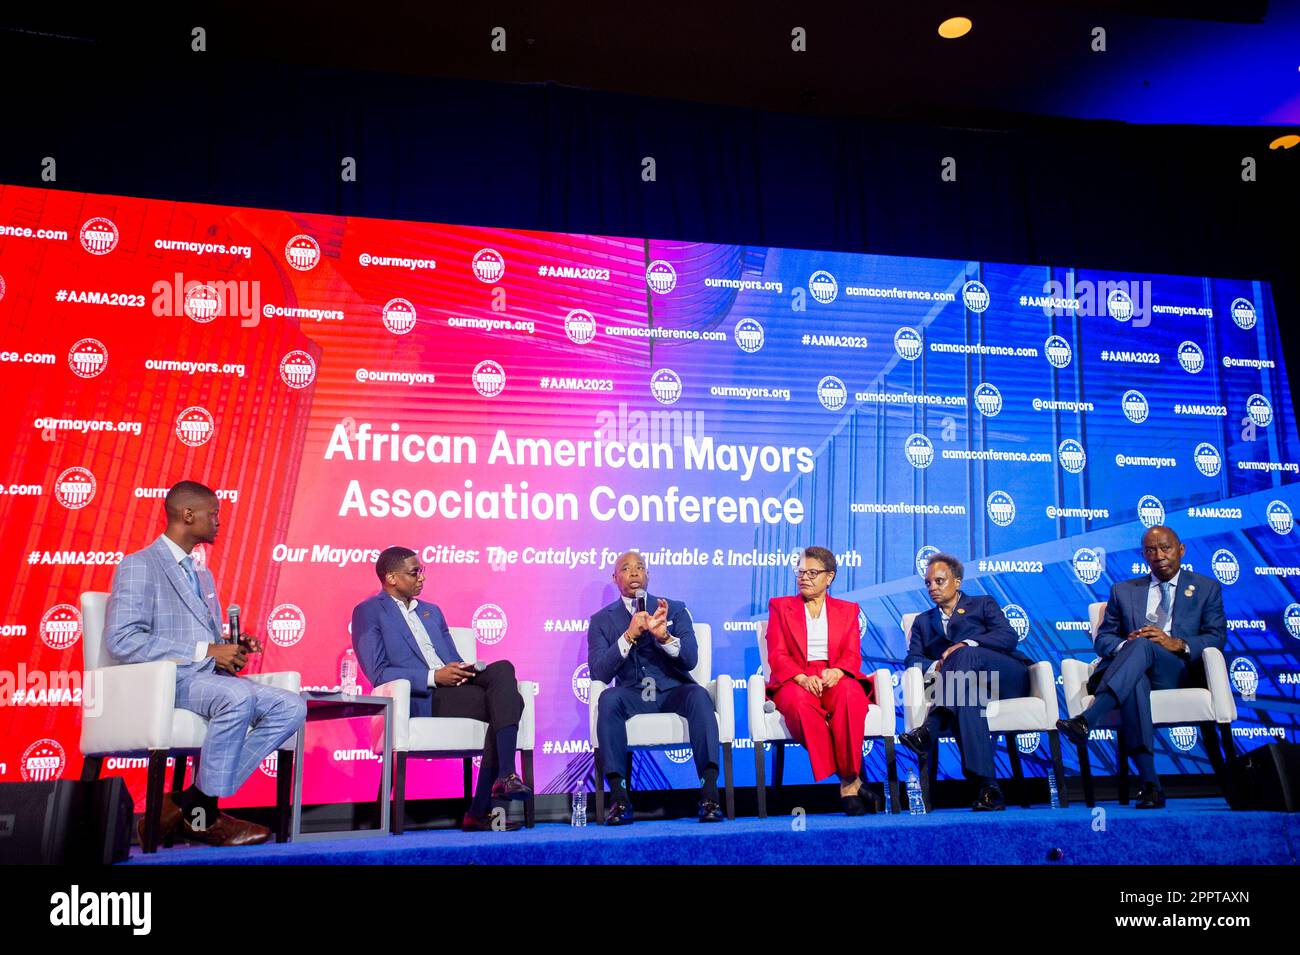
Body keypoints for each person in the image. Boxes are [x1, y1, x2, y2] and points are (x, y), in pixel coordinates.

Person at [105, 480, 307, 846]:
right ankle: (203, 818)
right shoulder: (140, 565)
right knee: (236, 698)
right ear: (187, 514)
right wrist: (206, 651)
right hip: (166, 681)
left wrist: (230, 646)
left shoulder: (201, 573)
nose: (218, 522)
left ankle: (187, 803)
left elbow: (208, 641)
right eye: (213, 514)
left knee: (291, 706)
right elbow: (123, 639)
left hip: (208, 680)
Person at [351, 546, 530, 831]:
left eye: (422, 571)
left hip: (455, 685)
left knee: (504, 669)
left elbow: (450, 657)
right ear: (391, 578)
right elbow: (378, 672)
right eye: (415, 572)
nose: (422, 577)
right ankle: (485, 803)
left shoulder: (431, 612)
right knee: (511, 704)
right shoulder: (369, 612)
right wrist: (434, 676)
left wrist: (461, 670)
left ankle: (503, 778)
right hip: (423, 695)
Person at [1057, 525, 1225, 808]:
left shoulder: (1206, 588)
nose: (1158, 555)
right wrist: (1127, 644)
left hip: (1177, 671)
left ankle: (1088, 719)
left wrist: (1176, 643)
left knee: (1146, 644)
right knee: (1137, 670)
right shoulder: (1123, 591)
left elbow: (1217, 636)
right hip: (1133, 672)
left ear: (1180, 550)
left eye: (1165, 548)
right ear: (1143, 555)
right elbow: (1105, 640)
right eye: (1150, 550)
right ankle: (1150, 784)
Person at [587, 550, 723, 824]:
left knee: (699, 696)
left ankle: (709, 796)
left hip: (673, 691)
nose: (634, 572)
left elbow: (690, 658)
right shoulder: (601, 620)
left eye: (640, 567)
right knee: (608, 700)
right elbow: (599, 672)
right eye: (626, 568)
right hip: (632, 695)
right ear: (615, 578)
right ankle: (620, 800)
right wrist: (628, 636)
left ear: (648, 574)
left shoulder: (674, 608)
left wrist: (664, 637)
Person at [898, 553, 1031, 811]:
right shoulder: (923, 622)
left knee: (965, 653)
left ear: (957, 581)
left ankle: (931, 727)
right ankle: (988, 788)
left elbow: (1007, 637)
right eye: (928, 583)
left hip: (1005, 679)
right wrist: (937, 664)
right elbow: (912, 659)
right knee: (969, 700)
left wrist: (966, 645)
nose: (932, 587)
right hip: (967, 687)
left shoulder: (983, 604)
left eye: (939, 581)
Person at [766, 546, 880, 814]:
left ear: (829, 577)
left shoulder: (848, 610)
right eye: (800, 572)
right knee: (797, 704)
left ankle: (849, 783)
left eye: (812, 572)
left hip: (834, 675)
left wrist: (839, 671)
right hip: (796, 677)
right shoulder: (781, 606)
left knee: (851, 696)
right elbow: (777, 653)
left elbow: (852, 654)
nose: (804, 577)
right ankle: (851, 780)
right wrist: (802, 677)